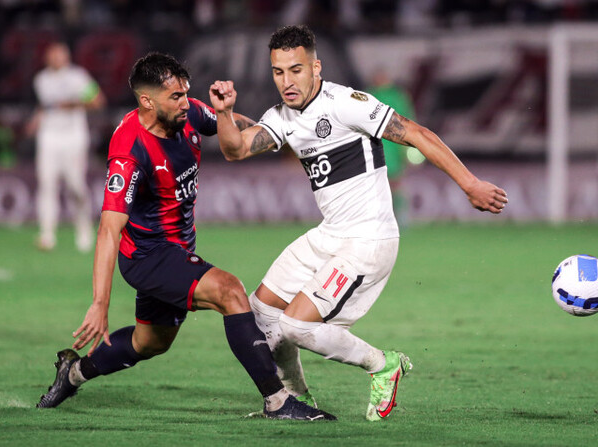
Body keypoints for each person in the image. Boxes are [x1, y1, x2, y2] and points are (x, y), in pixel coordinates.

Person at [209, 25, 508, 421]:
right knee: (262, 309)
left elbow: (416, 133)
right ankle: (296, 400)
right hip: (330, 234)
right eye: (278, 72)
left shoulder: (346, 103)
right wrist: (225, 113)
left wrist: (470, 184)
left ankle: (382, 364)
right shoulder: (280, 117)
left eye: (296, 69)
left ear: (317, 67)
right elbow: (235, 150)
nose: (287, 80)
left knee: (295, 325)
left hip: (368, 240)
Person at [36, 52, 335, 421]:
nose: (186, 103)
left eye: (185, 93)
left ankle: (74, 372)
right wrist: (100, 303)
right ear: (147, 101)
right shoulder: (129, 153)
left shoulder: (187, 112)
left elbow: (238, 128)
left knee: (150, 343)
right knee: (230, 291)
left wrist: (280, 135)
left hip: (178, 248)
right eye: (175, 96)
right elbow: (108, 230)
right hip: (148, 256)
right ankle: (277, 401)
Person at [31, 42, 106, 252]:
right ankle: (47, 234)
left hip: (73, 136)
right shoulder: (41, 79)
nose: (55, 58)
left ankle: (83, 230)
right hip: (48, 136)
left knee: (75, 185)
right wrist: (34, 122)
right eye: (52, 55)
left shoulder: (78, 77)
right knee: (47, 184)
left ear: (66, 57)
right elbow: (45, 106)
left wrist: (72, 104)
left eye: (59, 55)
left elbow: (98, 100)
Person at [367, 67, 419, 226]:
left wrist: (409, 150)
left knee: (394, 184)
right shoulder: (369, 95)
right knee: (377, 187)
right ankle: (384, 219)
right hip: (375, 148)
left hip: (392, 148)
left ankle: (400, 218)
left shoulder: (397, 96)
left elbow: (409, 122)